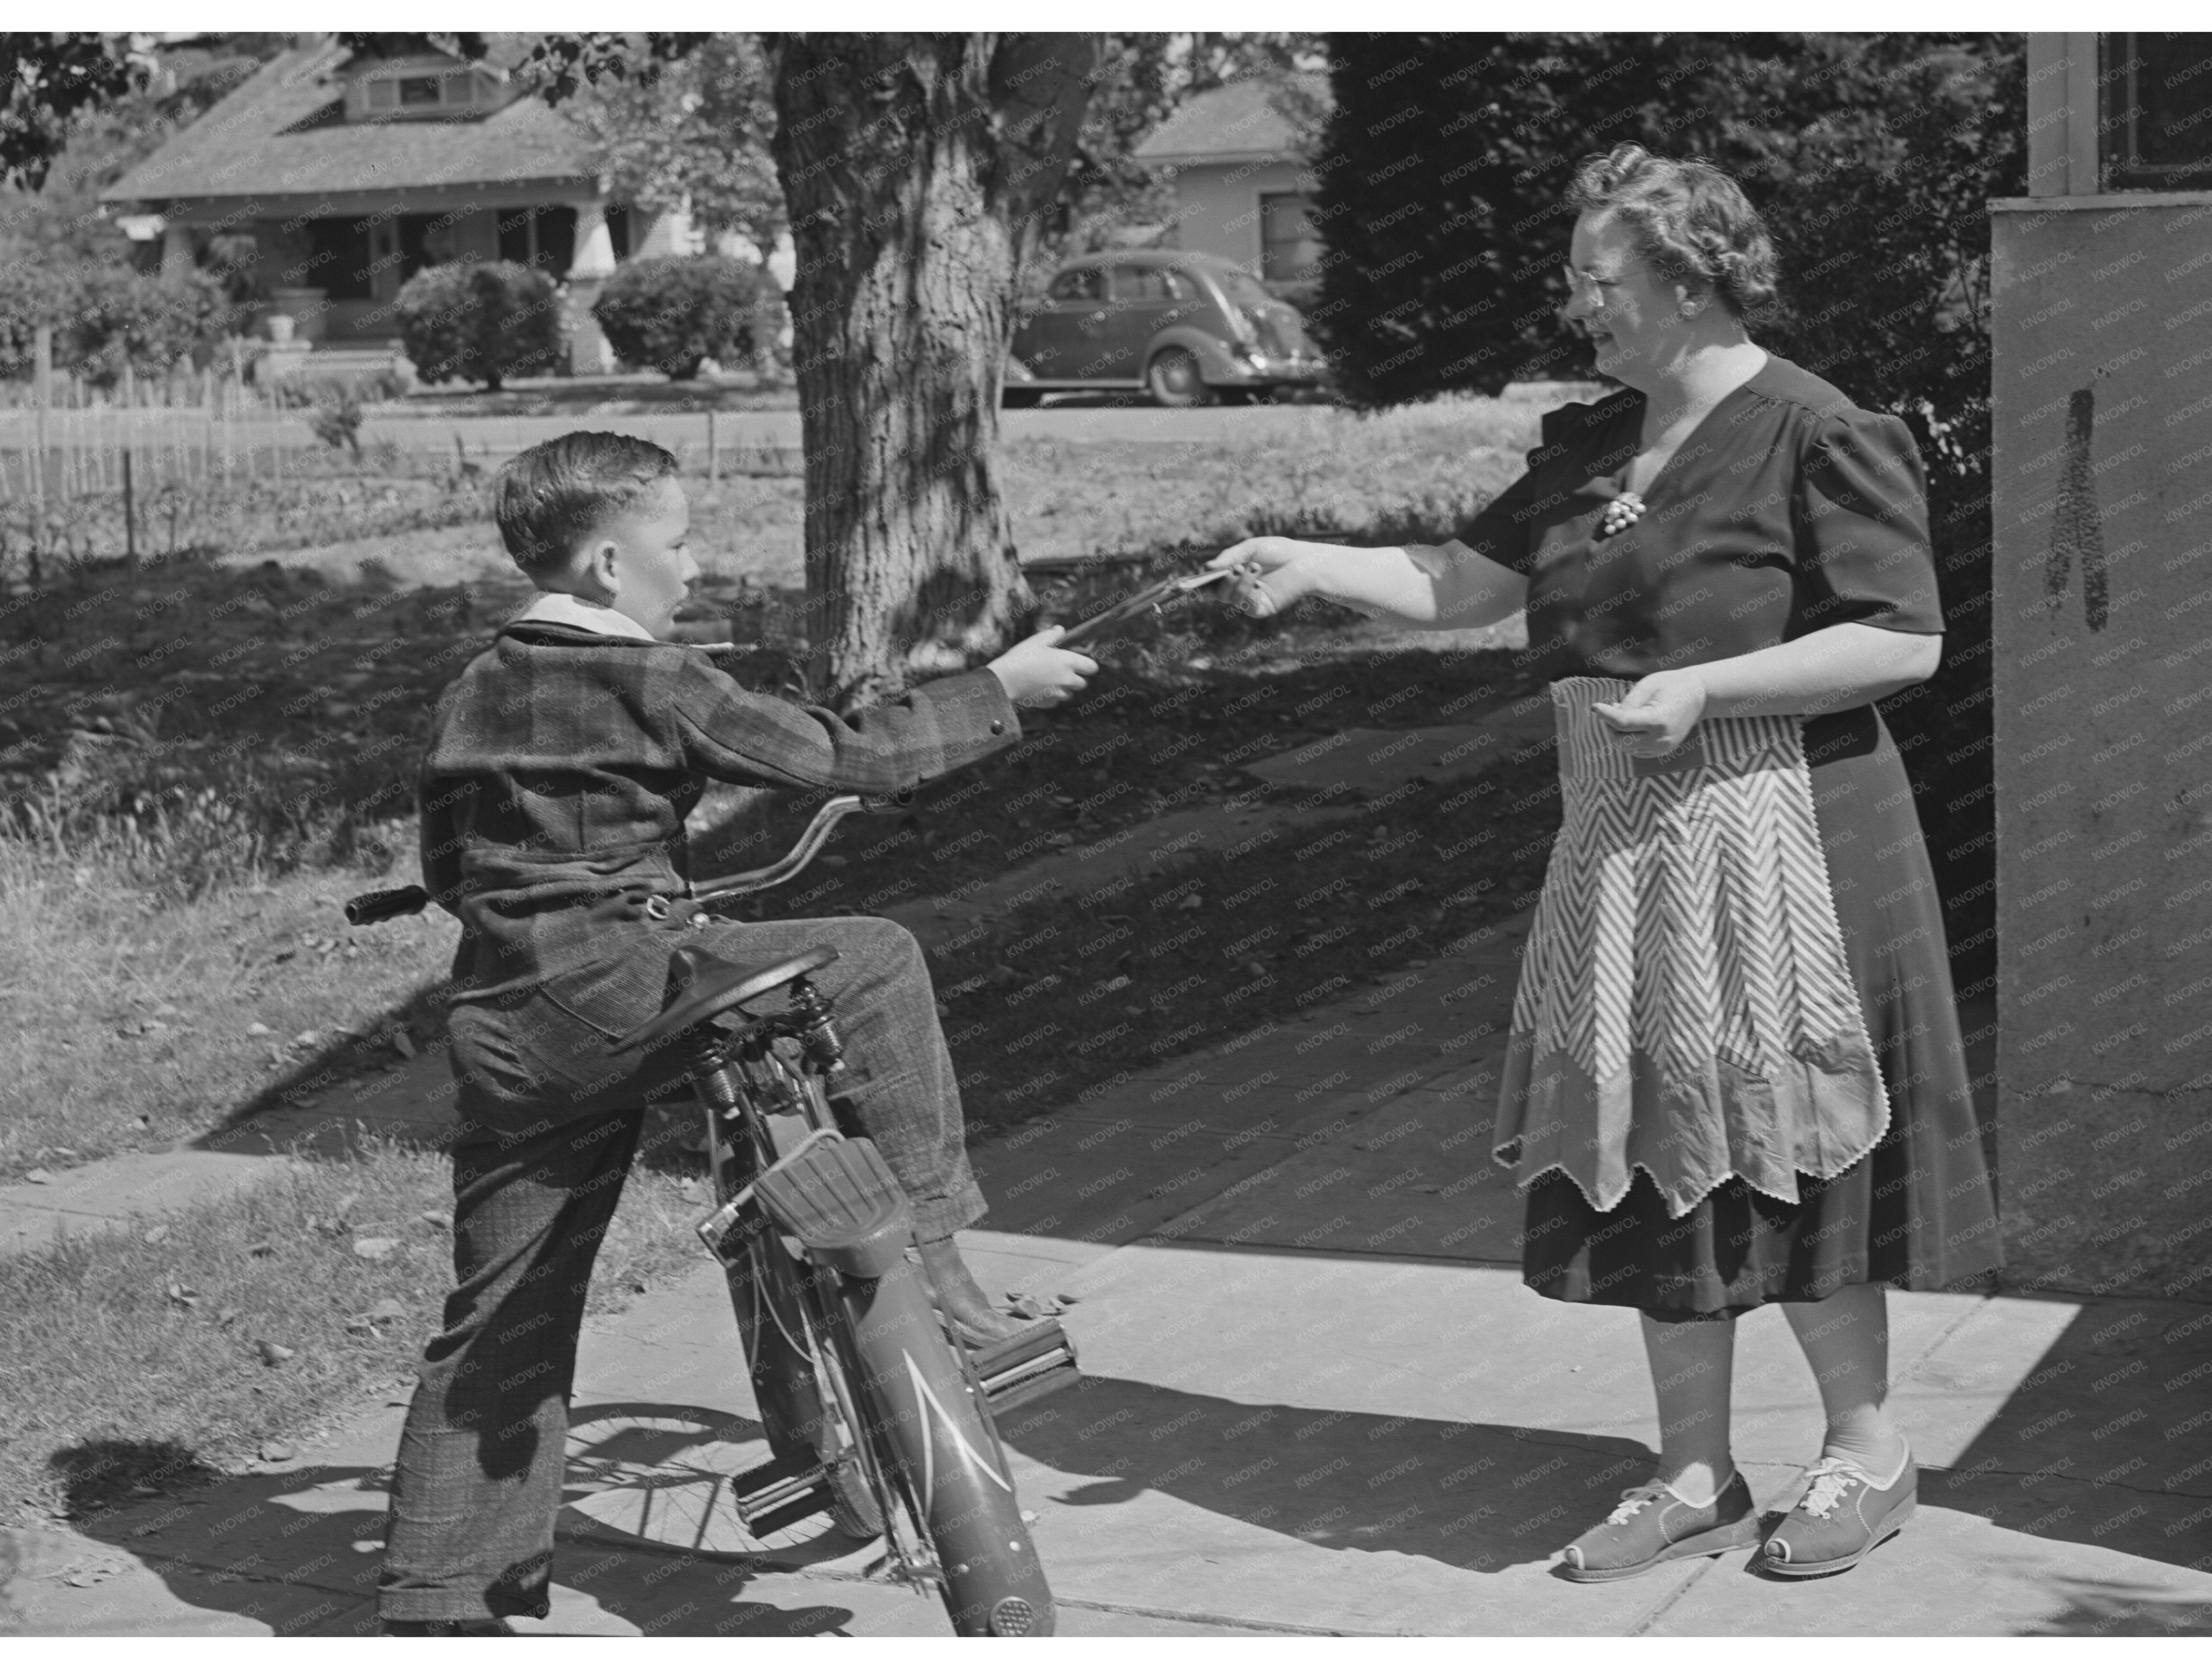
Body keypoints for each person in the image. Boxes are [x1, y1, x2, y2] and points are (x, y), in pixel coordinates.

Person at [1213, 143, 1999, 1583]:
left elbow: (1903, 636)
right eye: (1577, 280)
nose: (1583, 305)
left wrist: (1716, 687)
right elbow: (1462, 585)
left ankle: (1867, 1449)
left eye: (1605, 280)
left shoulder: (1814, 431)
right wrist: (1312, 558)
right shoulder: (1589, 443)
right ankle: (1692, 1469)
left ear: (1693, 281)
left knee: (1791, 1143)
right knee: (1651, 1145)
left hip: (1795, 844)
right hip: (1630, 846)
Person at [376, 430, 1097, 1632]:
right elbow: (834, 754)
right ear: (611, 562)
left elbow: (449, 866)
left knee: (504, 1304)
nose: (695, 566)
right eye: (680, 539)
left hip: (502, 1020)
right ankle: (944, 1272)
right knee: (874, 955)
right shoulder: (659, 679)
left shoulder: (477, 684)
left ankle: (440, 1598)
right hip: (622, 985)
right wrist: (995, 695)